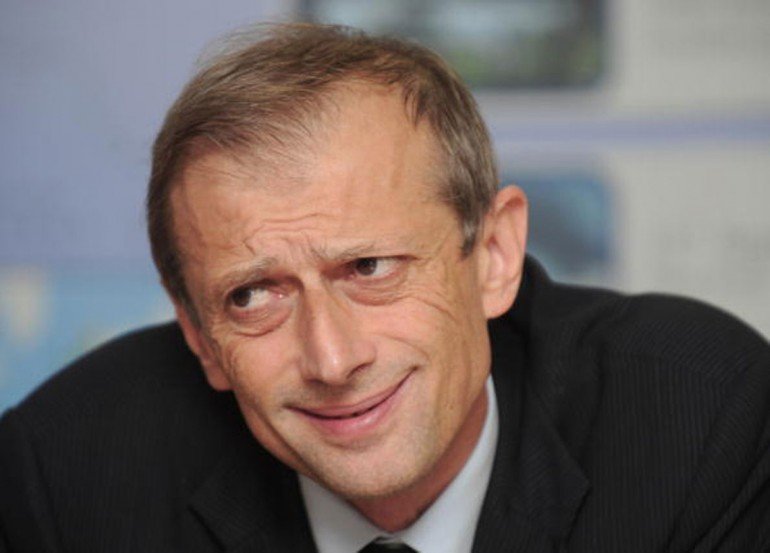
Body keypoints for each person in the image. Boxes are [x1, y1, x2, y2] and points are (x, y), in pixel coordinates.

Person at [1, 23, 768, 553]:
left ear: (493, 255)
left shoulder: (698, 419)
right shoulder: (62, 479)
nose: (332, 360)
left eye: (370, 267)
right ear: (200, 335)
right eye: (254, 295)